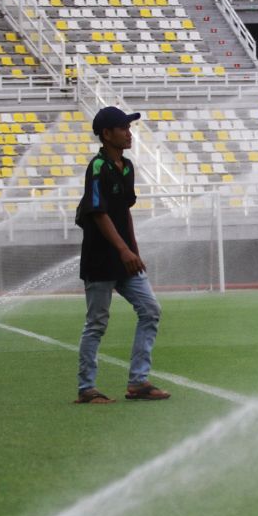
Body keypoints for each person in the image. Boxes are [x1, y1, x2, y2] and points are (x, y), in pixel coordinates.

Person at [73, 106, 170, 404]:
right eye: (123, 128)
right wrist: (124, 249)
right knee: (97, 323)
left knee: (150, 309)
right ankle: (87, 388)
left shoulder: (126, 167)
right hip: (101, 257)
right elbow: (99, 214)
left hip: (125, 258)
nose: (129, 133)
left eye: (129, 128)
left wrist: (133, 250)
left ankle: (138, 382)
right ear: (106, 134)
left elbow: (124, 212)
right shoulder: (98, 167)